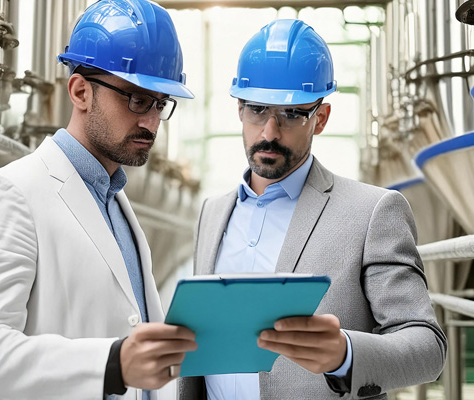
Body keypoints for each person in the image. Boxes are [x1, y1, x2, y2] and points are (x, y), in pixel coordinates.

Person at [179, 19, 447, 400]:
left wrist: (345, 353)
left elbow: (427, 348)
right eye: (257, 109)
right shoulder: (212, 213)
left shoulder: (372, 212)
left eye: (291, 114)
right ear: (239, 109)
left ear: (320, 118)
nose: (270, 132)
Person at [0, 1, 197, 399]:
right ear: (81, 91)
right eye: (136, 99)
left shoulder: (117, 200)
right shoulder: (12, 192)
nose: (151, 122)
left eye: (160, 103)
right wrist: (113, 365)